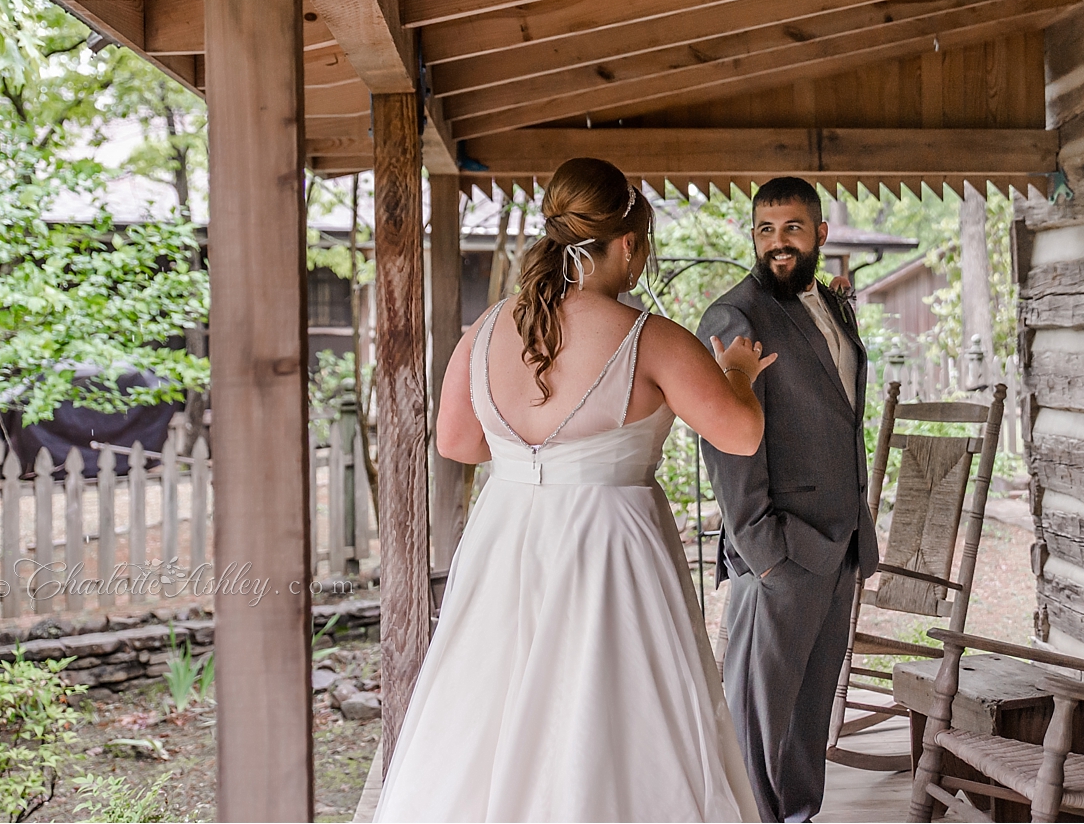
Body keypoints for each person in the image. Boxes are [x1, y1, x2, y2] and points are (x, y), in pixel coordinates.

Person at [374, 157, 774, 822]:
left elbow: (457, 442)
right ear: (627, 243)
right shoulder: (653, 339)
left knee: (490, 709)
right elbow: (739, 434)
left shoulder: (485, 331)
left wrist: (527, 449)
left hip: (506, 543)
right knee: (611, 714)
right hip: (610, 552)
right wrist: (735, 371)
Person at [697, 177, 880, 823]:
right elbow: (725, 443)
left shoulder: (832, 304)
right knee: (756, 724)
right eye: (766, 230)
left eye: (793, 229)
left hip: (841, 544)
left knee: (808, 718)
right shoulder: (736, 316)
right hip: (779, 552)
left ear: (820, 234)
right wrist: (764, 550)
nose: (778, 243)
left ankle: (800, 816)